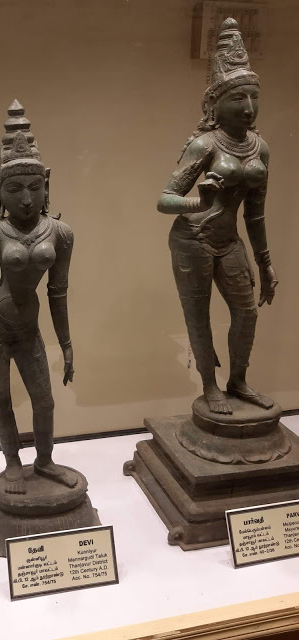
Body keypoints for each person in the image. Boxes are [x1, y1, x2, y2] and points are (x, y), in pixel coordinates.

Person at [157, 19, 278, 415]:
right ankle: (209, 385)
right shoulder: (204, 145)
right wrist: (200, 202)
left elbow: (255, 215)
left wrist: (265, 262)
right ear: (214, 103)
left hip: (229, 241)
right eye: (238, 97)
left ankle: (237, 380)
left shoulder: (260, 148)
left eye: (254, 97)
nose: (248, 107)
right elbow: (165, 200)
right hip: (192, 240)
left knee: (246, 313)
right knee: (199, 317)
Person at [0, 101, 77, 494]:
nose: (26, 199)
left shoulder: (60, 233)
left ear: (46, 184)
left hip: (27, 328)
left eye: (34, 187)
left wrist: (67, 345)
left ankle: (44, 460)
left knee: (44, 401)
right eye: (14, 189)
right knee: (0, 402)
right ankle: (12, 463)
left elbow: (58, 292)